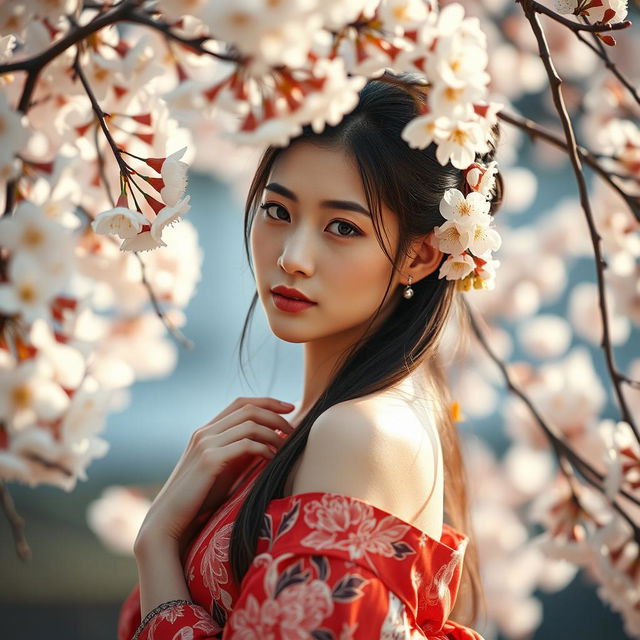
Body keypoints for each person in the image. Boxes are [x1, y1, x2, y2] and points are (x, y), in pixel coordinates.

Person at [117, 69, 502, 640]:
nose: (293, 256)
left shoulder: (362, 433)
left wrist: (157, 545)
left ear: (421, 257)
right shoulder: (324, 427)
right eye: (278, 211)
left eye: (342, 227)